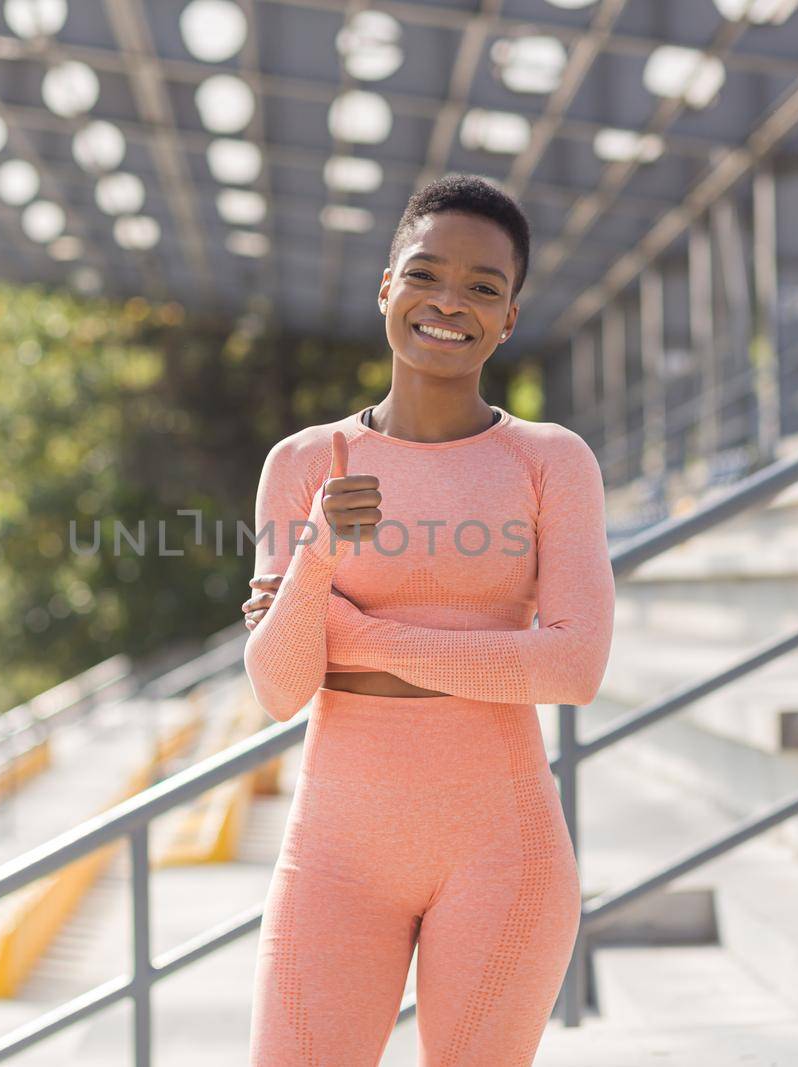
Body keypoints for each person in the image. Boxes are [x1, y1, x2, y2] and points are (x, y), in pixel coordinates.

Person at [239, 174, 615, 1065]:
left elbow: (574, 669)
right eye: (426, 274)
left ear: (509, 318)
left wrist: (354, 634)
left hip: (504, 853)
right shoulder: (301, 464)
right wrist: (319, 555)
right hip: (334, 854)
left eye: (483, 287)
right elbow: (279, 689)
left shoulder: (550, 462)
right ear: (385, 288)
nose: (450, 303)